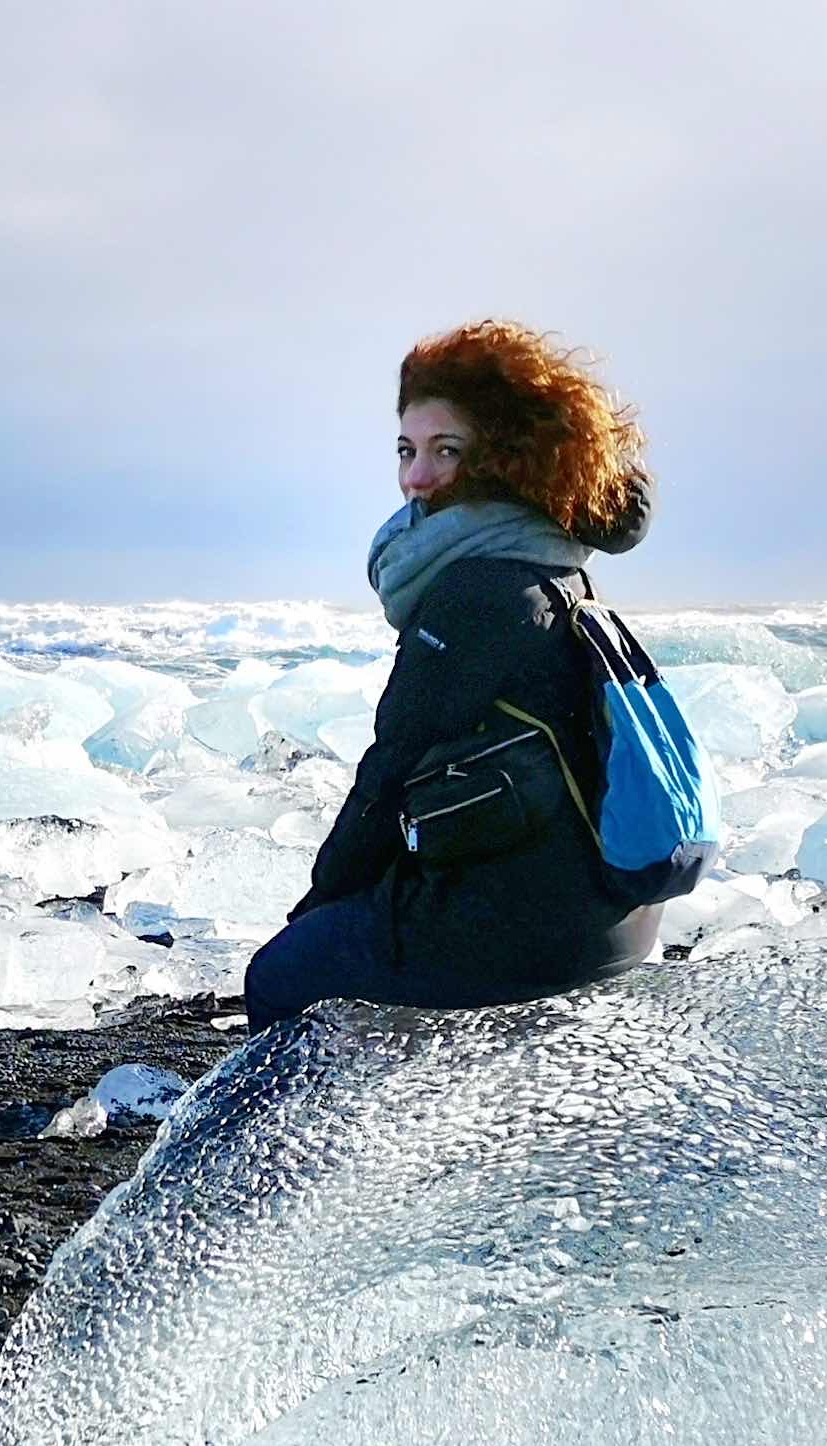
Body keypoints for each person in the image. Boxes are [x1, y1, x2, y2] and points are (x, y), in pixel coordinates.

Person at [243, 321, 661, 1029]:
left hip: (539, 930)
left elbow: (389, 772)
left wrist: (315, 910)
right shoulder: (552, 563)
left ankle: (343, 1108)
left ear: (504, 458)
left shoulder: (481, 592)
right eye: (406, 450)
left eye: (447, 450)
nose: (416, 478)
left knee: (280, 977)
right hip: (614, 911)